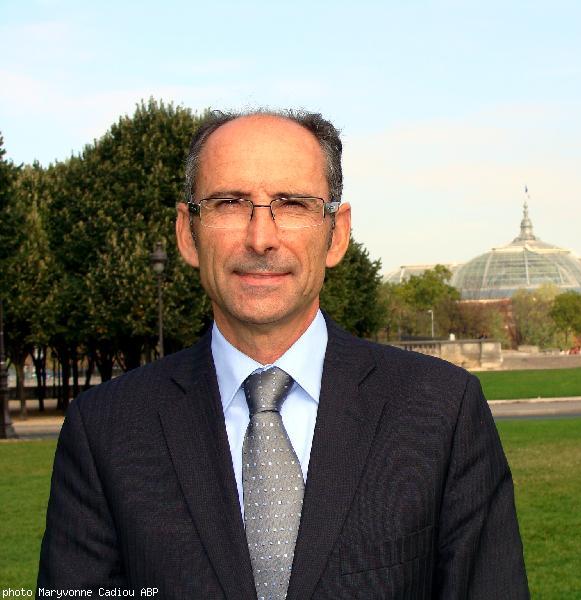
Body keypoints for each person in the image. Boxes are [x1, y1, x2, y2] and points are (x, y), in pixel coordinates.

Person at [37, 109, 529, 599]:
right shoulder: (105, 429)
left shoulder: (442, 410)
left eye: (292, 204)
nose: (261, 238)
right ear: (188, 233)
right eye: (230, 202)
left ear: (337, 234)